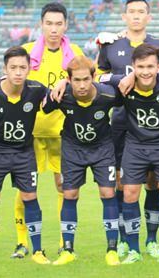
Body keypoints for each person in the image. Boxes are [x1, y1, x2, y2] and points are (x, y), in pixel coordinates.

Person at [96, 0, 159, 258]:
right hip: (119, 124)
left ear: (149, 17)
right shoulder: (110, 44)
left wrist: (134, 74)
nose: (137, 16)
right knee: (123, 184)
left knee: (153, 182)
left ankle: (152, 239)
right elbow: (99, 79)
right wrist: (125, 75)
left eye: (142, 11)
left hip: (153, 128)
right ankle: (122, 238)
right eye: (132, 12)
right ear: (124, 16)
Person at [10, 2, 83, 258]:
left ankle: (65, 242)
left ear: (66, 25)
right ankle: (22, 243)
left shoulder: (74, 54)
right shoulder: (26, 53)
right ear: (41, 24)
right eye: (49, 23)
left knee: (64, 188)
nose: (53, 29)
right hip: (29, 135)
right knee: (26, 188)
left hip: (63, 135)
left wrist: (67, 79)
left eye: (58, 23)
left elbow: (88, 81)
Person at [102, 44, 159, 266]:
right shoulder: (123, 84)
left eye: (150, 66)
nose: (145, 71)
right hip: (134, 146)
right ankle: (134, 250)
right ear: (132, 67)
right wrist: (126, 77)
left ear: (158, 67)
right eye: (140, 67)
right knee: (129, 194)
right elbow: (94, 77)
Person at [0, 46, 50, 267]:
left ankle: (37, 251)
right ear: (4, 69)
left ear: (29, 69)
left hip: (24, 154)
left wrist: (63, 83)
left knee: (30, 198)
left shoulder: (36, 90)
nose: (18, 72)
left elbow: (56, 96)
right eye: (13, 67)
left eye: (22, 68)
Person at [44, 56, 122, 266]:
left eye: (85, 79)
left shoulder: (107, 94)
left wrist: (110, 78)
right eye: (76, 80)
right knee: (69, 193)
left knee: (108, 192)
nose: (81, 85)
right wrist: (58, 86)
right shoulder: (63, 95)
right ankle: (67, 250)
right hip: (73, 148)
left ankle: (112, 249)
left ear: (93, 77)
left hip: (102, 148)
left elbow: (125, 84)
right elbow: (44, 106)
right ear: (69, 79)